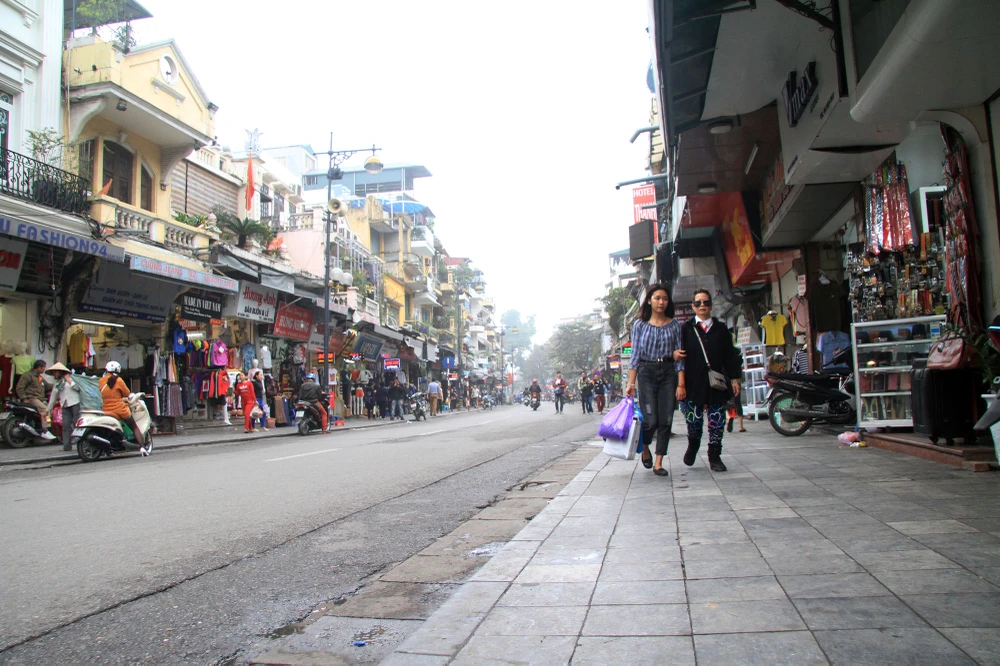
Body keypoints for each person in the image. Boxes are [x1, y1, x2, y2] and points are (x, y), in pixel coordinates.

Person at [625, 284, 686, 477]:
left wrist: (681, 383)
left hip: (668, 373)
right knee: (650, 420)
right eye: (657, 298)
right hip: (646, 372)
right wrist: (631, 384)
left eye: (665, 298)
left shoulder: (675, 325)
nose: (661, 302)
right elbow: (635, 355)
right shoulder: (639, 325)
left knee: (666, 419)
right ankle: (644, 447)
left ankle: (659, 462)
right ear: (649, 301)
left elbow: (680, 357)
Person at [680, 289, 742, 472]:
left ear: (711, 305)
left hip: (717, 383)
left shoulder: (721, 329)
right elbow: (679, 359)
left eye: (706, 302)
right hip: (693, 384)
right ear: (693, 306)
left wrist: (735, 378)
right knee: (694, 422)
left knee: (717, 421)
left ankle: (715, 456)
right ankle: (693, 446)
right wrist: (679, 383)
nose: (702, 306)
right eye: (698, 303)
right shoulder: (685, 329)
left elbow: (730, 356)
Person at [98, 361, 141, 442]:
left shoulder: (100, 381)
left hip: (106, 410)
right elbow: (127, 393)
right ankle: (142, 446)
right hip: (120, 410)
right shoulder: (119, 380)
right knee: (134, 427)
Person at [15, 359, 57, 440]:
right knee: (45, 410)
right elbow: (20, 388)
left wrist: (57, 385)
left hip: (39, 399)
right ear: (39, 367)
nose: (44, 369)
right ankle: (45, 430)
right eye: (44, 367)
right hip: (32, 398)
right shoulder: (28, 375)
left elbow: (47, 386)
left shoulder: (39, 377)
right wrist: (24, 398)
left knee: (50, 410)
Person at [46, 362, 80, 450]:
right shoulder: (57, 384)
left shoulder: (72, 379)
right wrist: (48, 409)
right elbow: (53, 397)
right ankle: (67, 446)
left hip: (75, 403)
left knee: (77, 424)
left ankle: (82, 445)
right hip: (65, 405)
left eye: (55, 372)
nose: (54, 374)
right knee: (65, 425)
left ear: (60, 372)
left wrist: (69, 380)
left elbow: (78, 388)